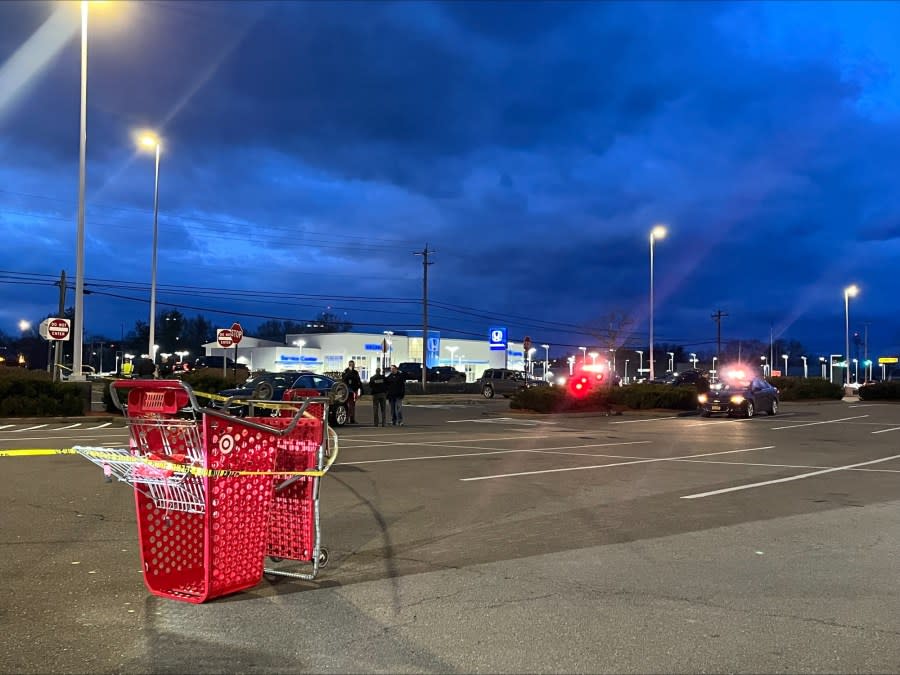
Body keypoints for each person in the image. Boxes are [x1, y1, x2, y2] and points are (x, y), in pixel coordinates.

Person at [341, 360, 363, 424]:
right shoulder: (346, 371)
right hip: (347, 390)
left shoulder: (355, 372)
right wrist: (349, 372)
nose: (352, 365)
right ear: (348, 365)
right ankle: (346, 418)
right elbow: (344, 378)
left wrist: (360, 388)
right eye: (350, 364)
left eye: (352, 364)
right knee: (346, 405)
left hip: (353, 390)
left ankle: (352, 419)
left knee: (352, 405)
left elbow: (358, 380)